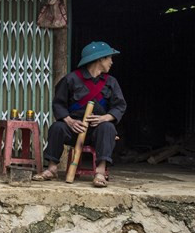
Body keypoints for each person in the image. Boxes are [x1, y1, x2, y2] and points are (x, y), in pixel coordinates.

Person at [32, 41, 126, 188]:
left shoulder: (111, 82)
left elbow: (120, 106)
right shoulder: (71, 79)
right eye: (109, 58)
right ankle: (52, 168)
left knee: (108, 128)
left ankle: (100, 172)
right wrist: (69, 121)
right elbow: (58, 104)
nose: (111, 62)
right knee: (57, 127)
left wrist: (104, 118)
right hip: (74, 129)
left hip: (97, 131)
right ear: (100, 59)